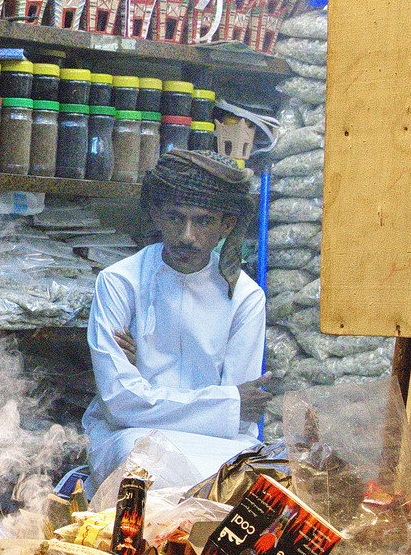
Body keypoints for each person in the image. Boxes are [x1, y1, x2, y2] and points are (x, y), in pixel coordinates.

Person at [83, 149, 271, 491]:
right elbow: (120, 403)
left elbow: (241, 417)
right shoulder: (120, 282)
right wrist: (224, 403)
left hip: (220, 445)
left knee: (253, 477)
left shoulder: (246, 297)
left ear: (226, 225)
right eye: (175, 217)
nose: (187, 235)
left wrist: (149, 387)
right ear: (157, 216)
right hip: (133, 437)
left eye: (202, 221)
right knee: (140, 466)